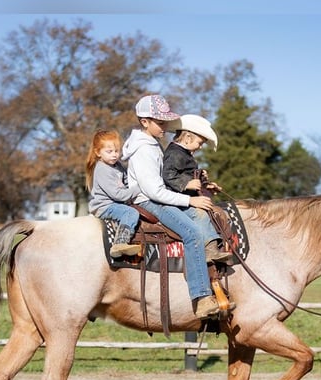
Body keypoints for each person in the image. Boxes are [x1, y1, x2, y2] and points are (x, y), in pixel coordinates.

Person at [121, 94, 232, 319]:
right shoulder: (143, 150)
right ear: (145, 122)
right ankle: (201, 297)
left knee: (204, 214)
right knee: (191, 234)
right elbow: (154, 190)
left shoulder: (152, 145)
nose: (165, 127)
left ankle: (212, 252)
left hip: (159, 198)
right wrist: (190, 199)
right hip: (149, 201)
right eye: (160, 123)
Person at [86, 129, 141, 258]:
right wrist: (139, 188)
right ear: (98, 152)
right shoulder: (102, 169)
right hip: (105, 206)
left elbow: (127, 183)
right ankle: (120, 243)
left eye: (117, 151)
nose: (114, 155)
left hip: (115, 203)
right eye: (109, 151)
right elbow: (117, 194)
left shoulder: (118, 166)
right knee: (130, 213)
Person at [162, 114, 223, 198]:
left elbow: (186, 173)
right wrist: (186, 184)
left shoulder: (184, 153)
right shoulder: (175, 153)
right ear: (188, 138)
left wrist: (204, 182)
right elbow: (168, 174)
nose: (201, 147)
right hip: (177, 198)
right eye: (200, 143)